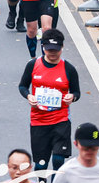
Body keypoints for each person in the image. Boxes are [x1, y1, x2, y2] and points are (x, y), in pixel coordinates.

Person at [16, 27, 81, 174]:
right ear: (43, 47)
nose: (52, 53)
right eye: (49, 49)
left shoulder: (69, 69)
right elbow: (22, 86)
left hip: (61, 119)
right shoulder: (32, 65)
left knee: (58, 160)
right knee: (40, 164)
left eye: (56, 50)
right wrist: (28, 96)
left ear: (62, 48)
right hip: (39, 120)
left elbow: (76, 92)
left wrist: (72, 97)